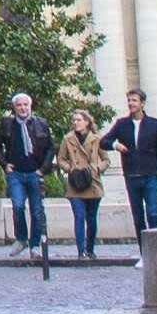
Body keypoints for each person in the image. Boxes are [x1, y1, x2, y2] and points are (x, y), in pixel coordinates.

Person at [100, 89, 157, 244]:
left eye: (134, 100)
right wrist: (116, 145)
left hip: (150, 175)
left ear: (142, 103)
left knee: (153, 213)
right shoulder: (122, 124)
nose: (131, 103)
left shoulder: (155, 125)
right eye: (129, 100)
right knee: (138, 217)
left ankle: (155, 248)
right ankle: (144, 251)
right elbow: (103, 142)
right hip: (131, 176)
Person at [0, 92, 55, 257]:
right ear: (14, 108)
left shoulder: (41, 124)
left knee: (37, 210)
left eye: (25, 105)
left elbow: (51, 148)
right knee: (18, 206)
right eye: (19, 105)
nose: (23, 108)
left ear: (30, 106)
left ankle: (35, 245)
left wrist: (43, 169)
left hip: (35, 173)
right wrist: (4, 164)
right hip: (16, 174)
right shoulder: (7, 124)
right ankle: (21, 239)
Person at [57, 109, 110, 259]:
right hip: (75, 183)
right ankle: (81, 251)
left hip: (92, 182)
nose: (75, 123)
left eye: (79, 120)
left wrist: (97, 169)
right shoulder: (68, 139)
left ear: (87, 122)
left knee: (91, 218)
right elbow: (61, 159)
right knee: (79, 216)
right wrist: (70, 169)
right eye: (74, 120)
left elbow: (106, 159)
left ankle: (90, 249)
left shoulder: (97, 138)